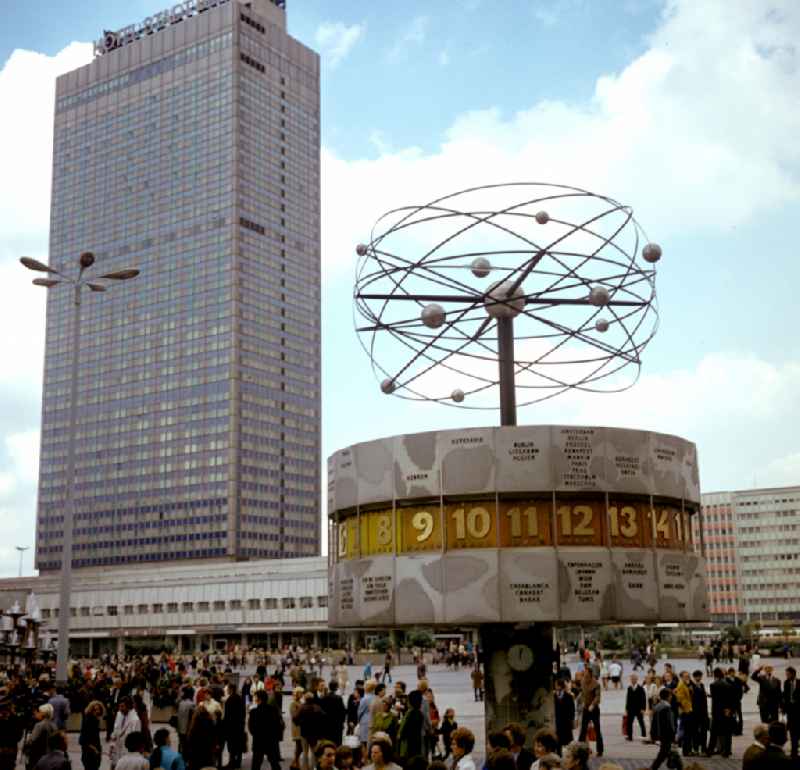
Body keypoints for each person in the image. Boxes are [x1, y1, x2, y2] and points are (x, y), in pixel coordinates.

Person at [248, 690, 282, 770]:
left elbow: (251, 728)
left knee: (256, 764)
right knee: (274, 763)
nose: (254, 699)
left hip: (258, 741)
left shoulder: (254, 712)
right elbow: (278, 725)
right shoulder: (273, 710)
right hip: (271, 741)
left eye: (255, 697)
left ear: (258, 699)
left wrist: (256, 734)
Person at [706, 667, 733, 758]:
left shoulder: (713, 685)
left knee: (714, 733)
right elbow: (729, 699)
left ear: (715, 675)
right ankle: (727, 751)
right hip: (726, 711)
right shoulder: (728, 684)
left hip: (717, 712)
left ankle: (709, 751)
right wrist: (728, 709)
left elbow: (715, 698)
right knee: (727, 733)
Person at [110, 698, 142, 770]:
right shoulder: (119, 714)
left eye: (122, 706)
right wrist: (112, 745)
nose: (120, 709)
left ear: (129, 706)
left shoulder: (135, 720)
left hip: (128, 751)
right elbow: (115, 730)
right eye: (119, 706)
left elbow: (137, 739)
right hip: (117, 748)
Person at [577, 667, 603, 757]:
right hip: (585, 708)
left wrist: (593, 704)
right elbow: (582, 693)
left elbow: (597, 696)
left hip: (594, 709)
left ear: (591, 675)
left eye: (587, 675)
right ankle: (578, 749)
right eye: (584, 675)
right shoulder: (583, 682)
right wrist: (580, 700)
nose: (585, 677)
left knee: (597, 729)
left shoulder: (596, 684)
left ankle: (600, 750)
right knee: (583, 730)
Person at [649, 688, 675, 770]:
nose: (671, 697)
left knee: (666, 752)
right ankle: (653, 768)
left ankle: (674, 765)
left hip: (660, 733)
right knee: (663, 753)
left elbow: (653, 722)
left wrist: (653, 734)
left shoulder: (657, 706)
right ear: (668, 696)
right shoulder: (667, 707)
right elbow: (670, 723)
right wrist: (673, 735)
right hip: (666, 734)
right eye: (670, 695)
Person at [24, 704, 57, 770]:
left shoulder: (39, 725)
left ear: (43, 713)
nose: (37, 713)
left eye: (39, 712)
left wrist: (27, 742)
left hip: (37, 755)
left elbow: (32, 740)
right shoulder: (54, 725)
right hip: (50, 754)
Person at [221, 682, 245, 770]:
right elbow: (243, 713)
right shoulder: (240, 698)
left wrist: (224, 726)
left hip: (231, 727)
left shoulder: (230, 700)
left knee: (231, 746)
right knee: (238, 746)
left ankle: (231, 763)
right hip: (239, 726)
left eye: (227, 689)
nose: (226, 690)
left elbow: (227, 716)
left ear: (231, 689)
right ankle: (238, 763)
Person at [396, 690, 424, 765]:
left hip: (409, 746)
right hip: (416, 744)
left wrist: (400, 735)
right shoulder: (418, 713)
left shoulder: (412, 714)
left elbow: (407, 731)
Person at [320, 680, 347, 746]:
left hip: (326, 725)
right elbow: (343, 711)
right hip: (337, 725)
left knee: (328, 743)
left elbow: (321, 711)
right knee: (337, 743)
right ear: (336, 688)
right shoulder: (338, 698)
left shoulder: (323, 698)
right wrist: (342, 722)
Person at [80, 701, 106, 770]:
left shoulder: (95, 720)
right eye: (95, 709)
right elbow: (83, 739)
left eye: (98, 709)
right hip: (90, 752)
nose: (97, 711)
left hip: (94, 750)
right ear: (91, 710)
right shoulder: (89, 721)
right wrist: (95, 749)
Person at [674, 671, 694, 757]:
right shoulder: (681, 685)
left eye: (688, 676)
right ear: (681, 677)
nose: (688, 677)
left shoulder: (685, 684)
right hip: (685, 711)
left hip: (688, 710)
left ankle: (688, 750)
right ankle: (686, 751)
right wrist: (684, 709)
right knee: (687, 732)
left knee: (688, 732)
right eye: (686, 676)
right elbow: (678, 700)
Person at [689, 671, 708, 756]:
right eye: (697, 677)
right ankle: (696, 749)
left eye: (700, 676)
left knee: (704, 732)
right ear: (694, 677)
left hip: (703, 713)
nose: (699, 678)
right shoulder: (691, 686)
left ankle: (703, 749)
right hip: (695, 713)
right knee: (695, 732)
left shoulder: (702, 685)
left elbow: (704, 700)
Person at [783, 665, 800, 760]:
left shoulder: (799, 683)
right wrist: (783, 708)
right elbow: (785, 696)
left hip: (799, 712)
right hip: (790, 713)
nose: (786, 675)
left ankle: (796, 749)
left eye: (788, 674)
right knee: (793, 733)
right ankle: (794, 752)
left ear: (793, 674)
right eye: (786, 674)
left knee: (797, 732)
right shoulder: (786, 683)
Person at [624, 674, 646, 742]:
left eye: (634, 679)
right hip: (631, 709)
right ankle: (630, 736)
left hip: (639, 708)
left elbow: (643, 699)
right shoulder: (629, 688)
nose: (633, 680)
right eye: (632, 679)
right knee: (629, 723)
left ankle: (644, 735)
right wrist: (626, 709)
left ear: (637, 679)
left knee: (641, 722)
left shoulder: (640, 688)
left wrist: (643, 708)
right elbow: (627, 699)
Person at [176, 687, 195, 757]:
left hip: (180, 727)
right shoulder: (191, 704)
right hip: (187, 729)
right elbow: (192, 719)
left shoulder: (181, 703)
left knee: (181, 745)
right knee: (187, 747)